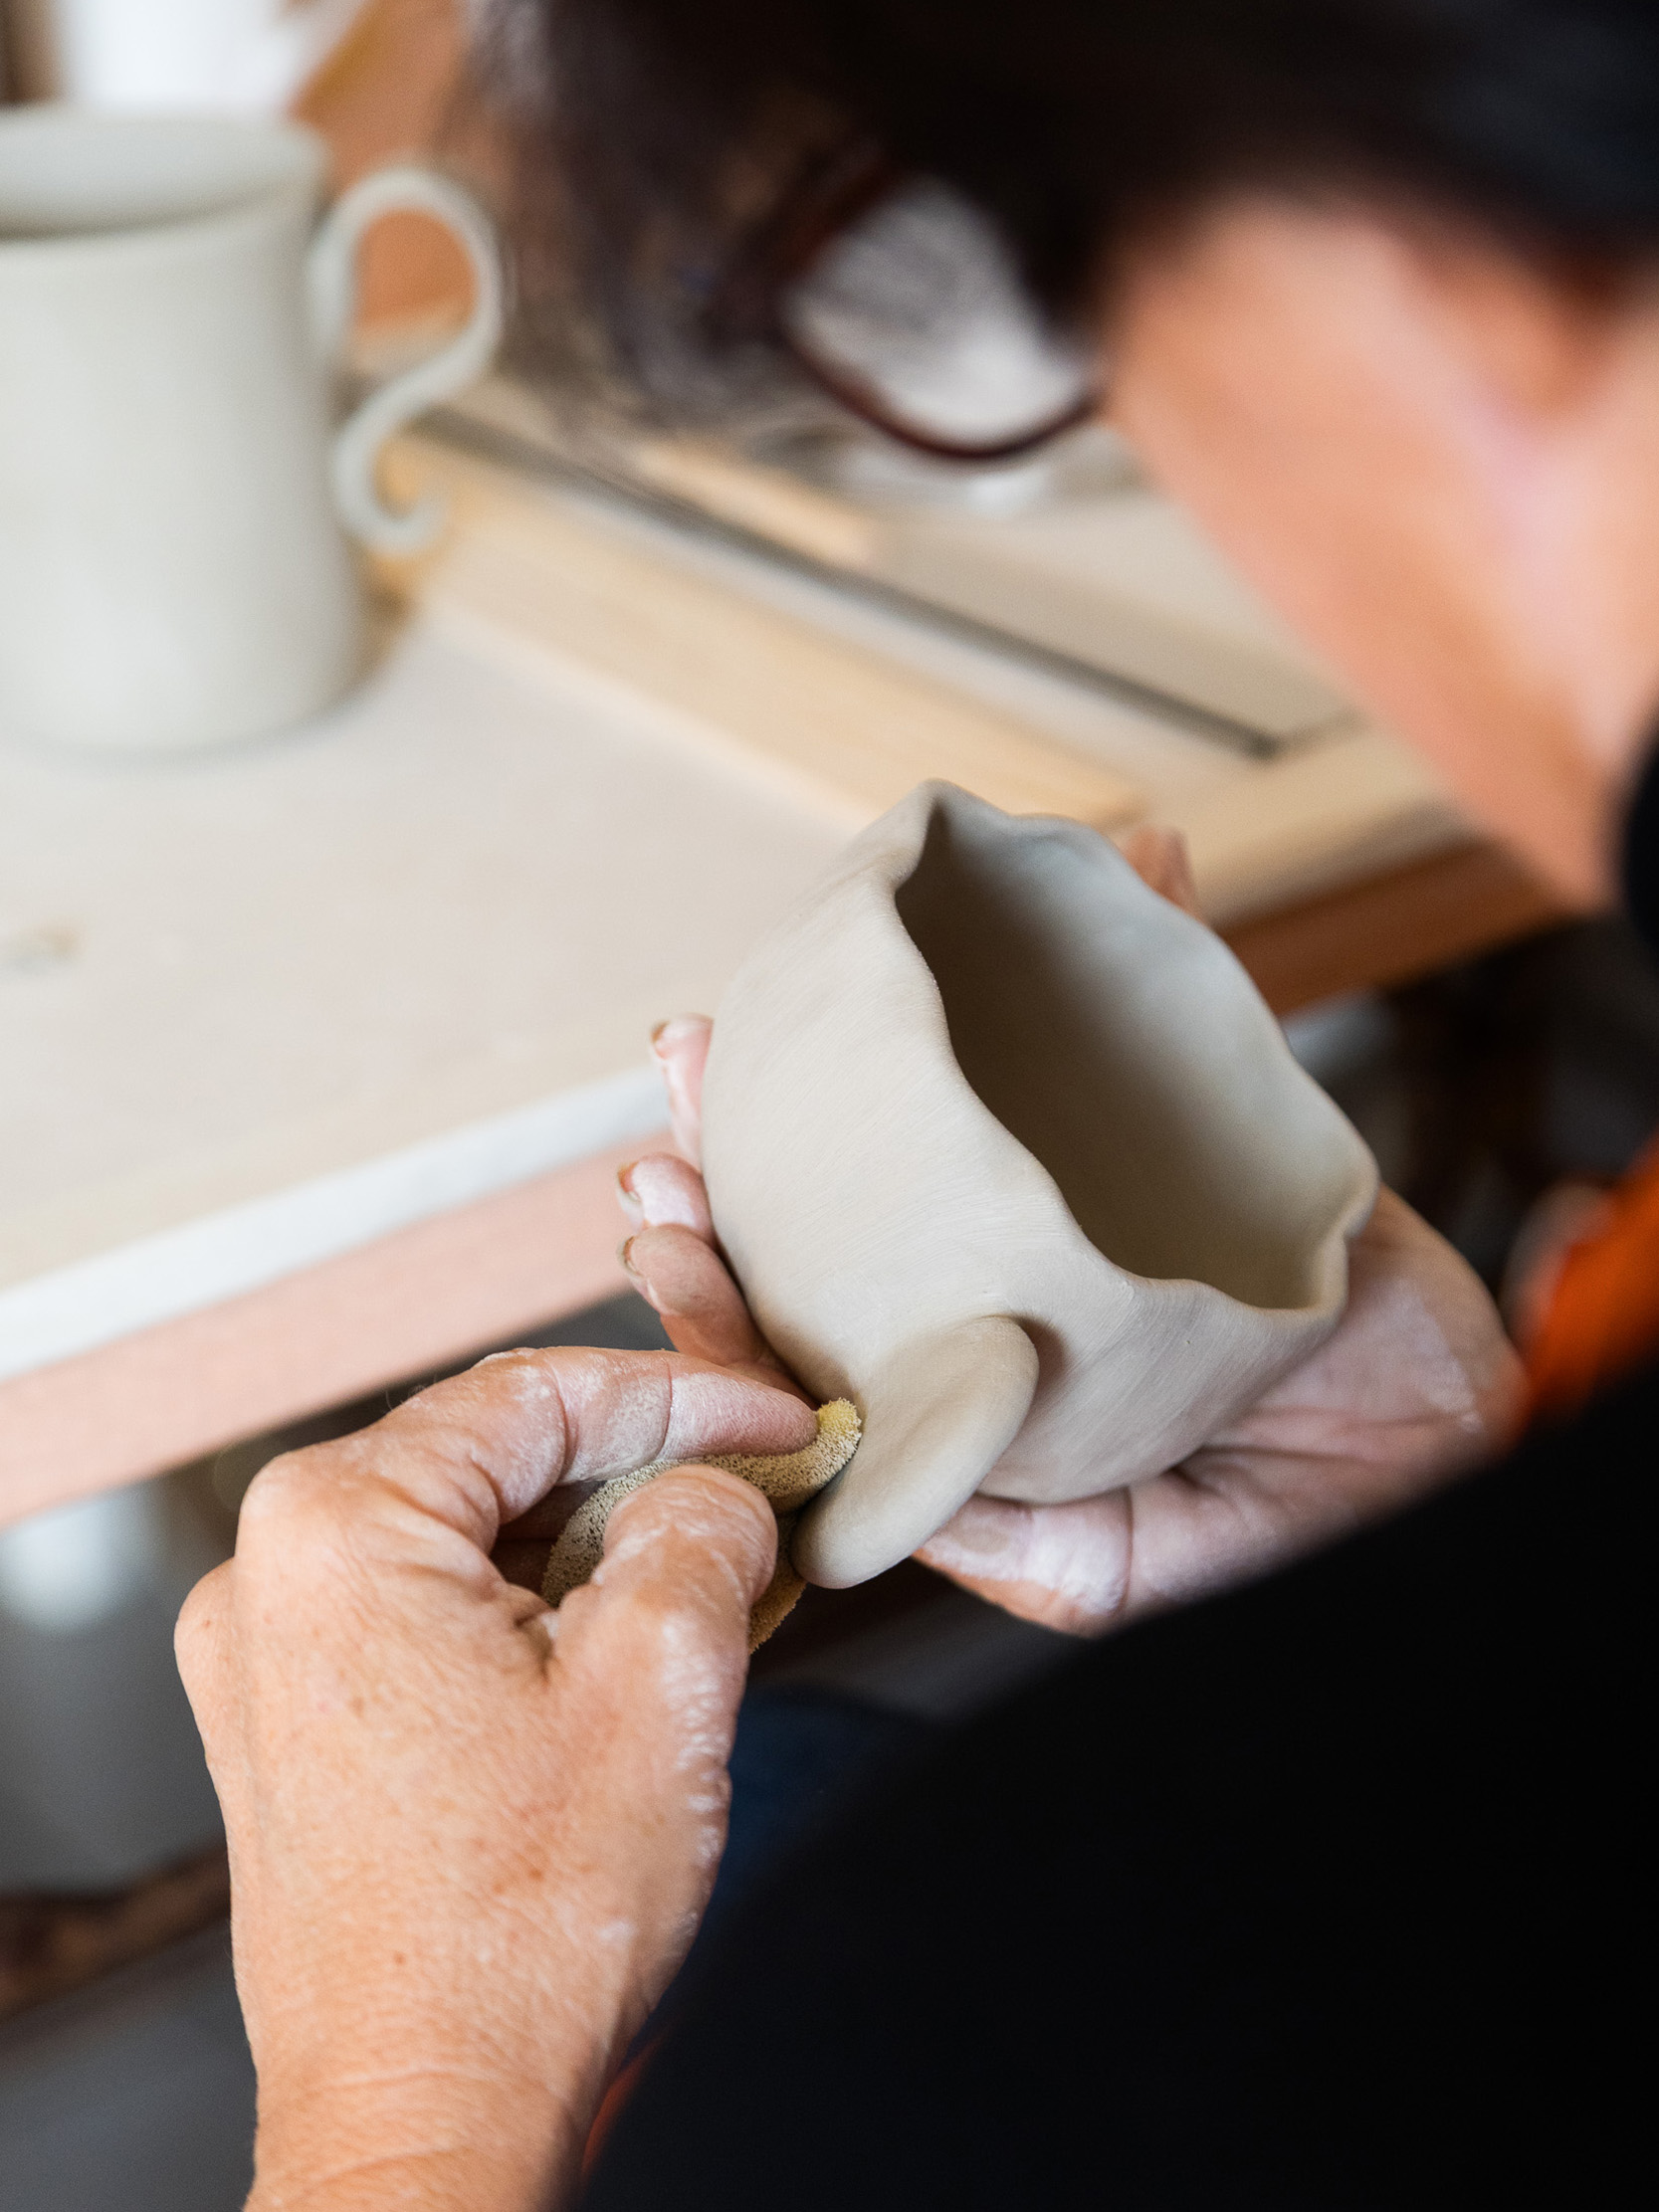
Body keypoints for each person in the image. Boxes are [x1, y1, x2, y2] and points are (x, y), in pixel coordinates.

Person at [176, 3, 1655, 2203]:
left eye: (1060, 273)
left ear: (1402, 237)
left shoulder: (946, 2045)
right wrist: (1448, 1514)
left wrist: (405, 2084)